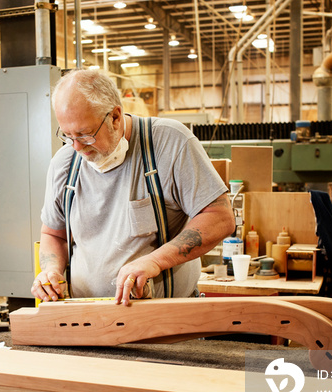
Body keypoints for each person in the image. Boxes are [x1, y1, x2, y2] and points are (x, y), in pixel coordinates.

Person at [32, 69, 235, 306]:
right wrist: (51, 270)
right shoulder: (64, 164)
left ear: (115, 116)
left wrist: (156, 261)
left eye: (85, 134)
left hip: (164, 322)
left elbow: (219, 218)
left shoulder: (169, 143)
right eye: (67, 135)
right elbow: (53, 234)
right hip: (86, 319)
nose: (77, 147)